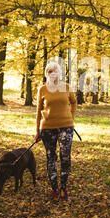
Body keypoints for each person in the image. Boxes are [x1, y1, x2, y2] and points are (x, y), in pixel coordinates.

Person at [35, 61, 77, 201]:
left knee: (65, 157)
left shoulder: (66, 87)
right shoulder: (42, 89)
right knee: (51, 158)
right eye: (49, 71)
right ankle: (54, 189)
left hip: (66, 127)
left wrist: (71, 117)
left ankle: (63, 187)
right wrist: (37, 131)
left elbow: (74, 102)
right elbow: (38, 111)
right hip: (47, 128)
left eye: (55, 71)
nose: (52, 73)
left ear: (60, 73)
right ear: (46, 74)